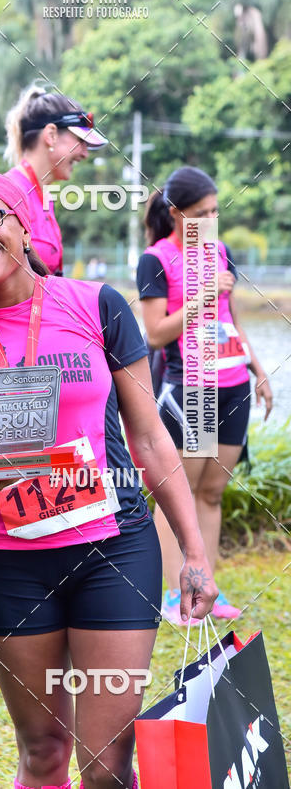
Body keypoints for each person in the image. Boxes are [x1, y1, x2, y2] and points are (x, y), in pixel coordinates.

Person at [0, 168, 216, 789]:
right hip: (13, 564)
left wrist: (194, 553)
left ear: (22, 223)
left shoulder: (98, 306)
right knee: (44, 752)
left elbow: (148, 438)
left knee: (108, 761)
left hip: (115, 550)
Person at [0, 86, 109, 672]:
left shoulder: (43, 198)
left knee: (26, 479)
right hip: (7, 366)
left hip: (47, 367)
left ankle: (11, 615)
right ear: (50, 138)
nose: (84, 155)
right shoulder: (12, 195)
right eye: (78, 142)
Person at [136, 166, 272, 626]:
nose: (210, 221)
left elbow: (231, 318)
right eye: (200, 213)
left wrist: (256, 366)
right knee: (180, 494)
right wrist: (203, 293)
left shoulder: (221, 251)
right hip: (190, 387)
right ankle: (175, 595)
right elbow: (155, 334)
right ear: (175, 213)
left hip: (233, 383)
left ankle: (206, 588)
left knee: (212, 493)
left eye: (215, 211)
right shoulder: (155, 260)